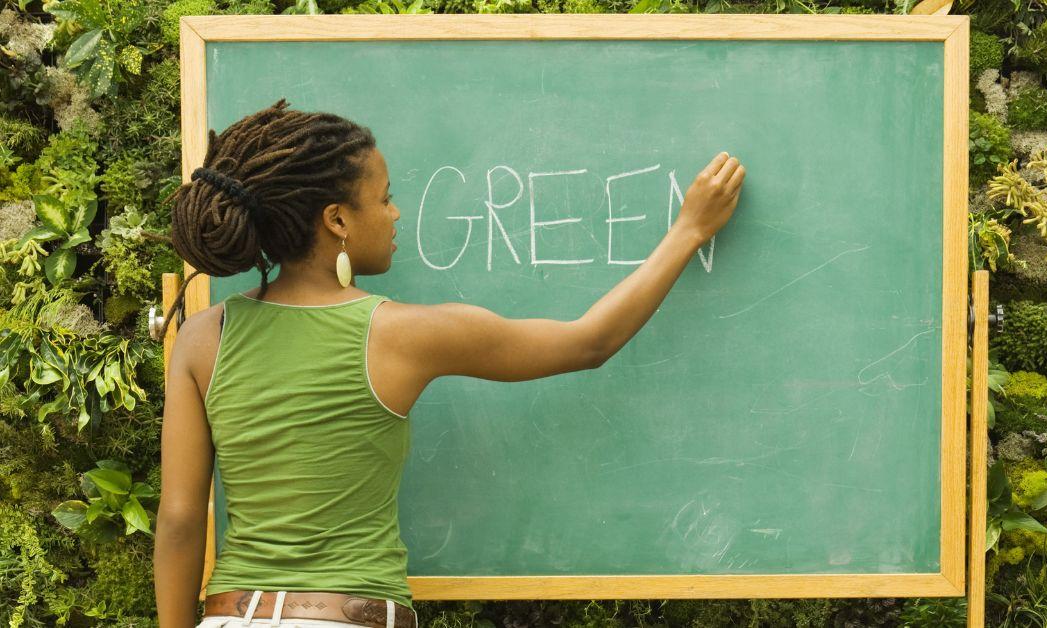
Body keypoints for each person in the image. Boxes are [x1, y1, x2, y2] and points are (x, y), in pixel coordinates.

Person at [154, 97, 745, 628]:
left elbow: (181, 520)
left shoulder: (205, 337)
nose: (395, 214)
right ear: (336, 220)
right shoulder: (404, 334)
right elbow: (589, 342)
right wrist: (688, 230)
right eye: (383, 198)